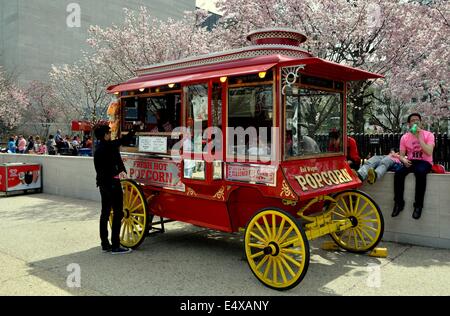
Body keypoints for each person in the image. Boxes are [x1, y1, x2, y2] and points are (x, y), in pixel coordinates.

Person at [94, 124, 137, 254]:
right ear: (105, 135)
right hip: (112, 182)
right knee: (118, 213)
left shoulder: (99, 148)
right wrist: (133, 131)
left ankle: (105, 244)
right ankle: (116, 246)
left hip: (102, 183)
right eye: (108, 132)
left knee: (105, 213)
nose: (110, 134)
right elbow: (123, 141)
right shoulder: (109, 147)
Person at [392, 113, 435, 219]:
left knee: (420, 172)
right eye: (412, 120)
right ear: (409, 124)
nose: (415, 122)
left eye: (417, 120)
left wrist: (419, 137)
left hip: (425, 162)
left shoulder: (428, 135)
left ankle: (418, 206)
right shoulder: (405, 137)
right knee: (398, 173)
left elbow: (429, 152)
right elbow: (401, 155)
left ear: (421, 122)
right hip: (411, 161)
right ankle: (399, 203)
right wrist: (403, 160)